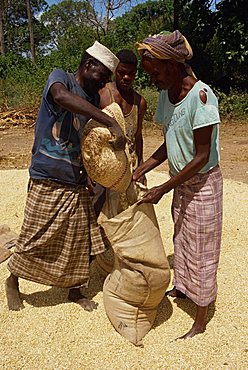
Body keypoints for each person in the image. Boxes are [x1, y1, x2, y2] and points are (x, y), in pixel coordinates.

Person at [5, 41, 126, 312]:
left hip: (74, 179)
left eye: (107, 80)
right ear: (88, 65)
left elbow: (86, 140)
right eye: (102, 77)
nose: (103, 84)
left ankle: (74, 289)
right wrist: (109, 121)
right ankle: (13, 280)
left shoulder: (94, 99)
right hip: (46, 173)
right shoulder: (61, 78)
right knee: (35, 235)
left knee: (78, 239)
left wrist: (92, 171)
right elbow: (60, 98)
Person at [134, 30, 223, 339]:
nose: (153, 80)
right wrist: (144, 167)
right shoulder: (166, 95)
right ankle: (183, 289)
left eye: (156, 73)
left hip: (203, 185)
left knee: (202, 249)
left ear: (172, 66)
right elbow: (169, 140)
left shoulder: (202, 96)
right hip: (182, 183)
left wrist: (163, 188)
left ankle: (200, 319)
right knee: (182, 239)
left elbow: (200, 155)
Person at [93, 49, 147, 219]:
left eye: (131, 74)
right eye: (122, 73)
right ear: (115, 70)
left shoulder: (139, 102)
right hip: (108, 166)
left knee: (130, 215)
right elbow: (91, 134)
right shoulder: (102, 95)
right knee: (103, 216)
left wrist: (142, 167)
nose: (126, 78)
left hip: (130, 167)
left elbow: (137, 136)